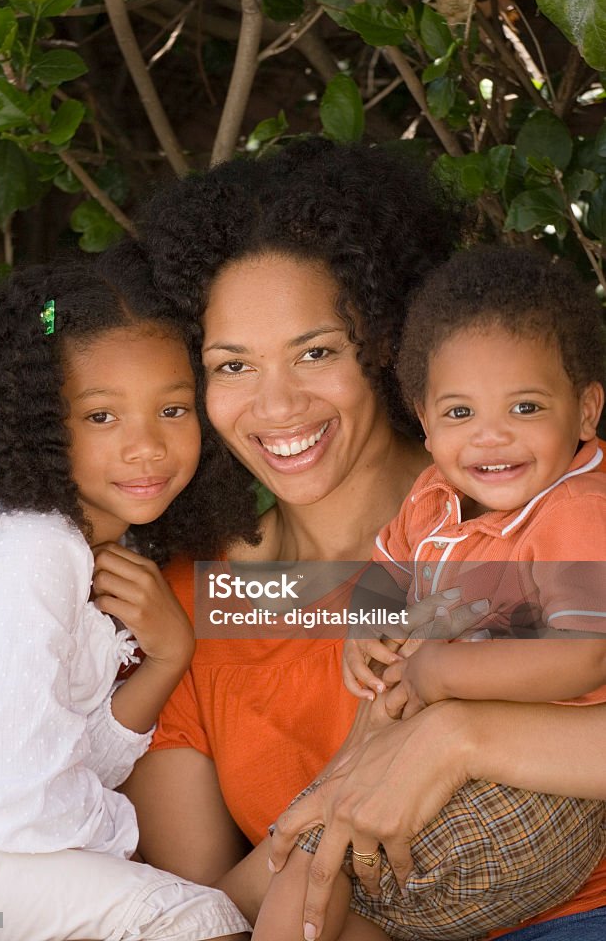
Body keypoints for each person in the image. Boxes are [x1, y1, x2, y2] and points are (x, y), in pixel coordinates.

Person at [105, 138, 605, 939]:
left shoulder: (524, 507)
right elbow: (194, 907)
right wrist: (333, 810)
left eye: (315, 352)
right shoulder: (196, 601)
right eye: (233, 366)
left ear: (383, 344)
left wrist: (456, 736)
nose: (277, 406)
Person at [254, 246, 606, 940]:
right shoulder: (435, 497)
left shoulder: (575, 509)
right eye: (459, 413)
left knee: (329, 868)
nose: (490, 435)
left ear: (585, 410)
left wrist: (436, 671)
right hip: (436, 761)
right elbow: (387, 567)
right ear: (423, 417)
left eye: (525, 406)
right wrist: (368, 624)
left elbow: (587, 657)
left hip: (544, 782)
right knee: (307, 873)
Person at [0, 259, 251, 941]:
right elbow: (24, 809)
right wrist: (123, 841)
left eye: (172, 408)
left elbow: (52, 766)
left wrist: (166, 659)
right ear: (36, 420)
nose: (146, 446)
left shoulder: (113, 555)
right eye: (101, 415)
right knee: (192, 918)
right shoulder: (27, 551)